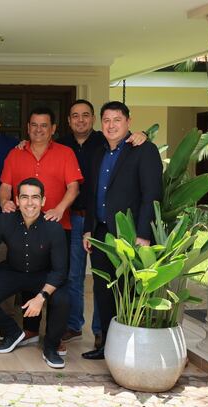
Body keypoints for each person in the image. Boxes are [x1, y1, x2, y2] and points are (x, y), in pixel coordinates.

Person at [56, 100, 146, 349]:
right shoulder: (62, 144)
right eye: (75, 116)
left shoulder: (106, 141)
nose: (80, 120)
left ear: (93, 118)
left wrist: (143, 134)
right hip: (77, 219)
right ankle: (74, 326)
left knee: (104, 279)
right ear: (69, 120)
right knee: (75, 276)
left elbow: (147, 190)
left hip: (106, 222)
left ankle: (100, 332)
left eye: (86, 115)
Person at [81, 101, 162, 360]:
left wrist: (143, 235)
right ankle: (107, 347)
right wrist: (88, 230)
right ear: (100, 123)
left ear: (128, 121)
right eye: (106, 120)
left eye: (117, 119)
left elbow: (152, 195)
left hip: (130, 235)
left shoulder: (144, 150)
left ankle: (131, 351)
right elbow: (91, 195)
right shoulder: (98, 152)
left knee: (128, 293)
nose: (111, 125)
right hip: (101, 234)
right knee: (104, 293)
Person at [0, 107, 82, 352]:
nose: (38, 129)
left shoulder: (65, 153)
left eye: (44, 125)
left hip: (57, 227)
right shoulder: (15, 154)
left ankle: (56, 335)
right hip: (23, 227)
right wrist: (5, 201)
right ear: (28, 127)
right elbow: (5, 186)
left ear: (53, 128)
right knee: (28, 276)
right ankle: (31, 329)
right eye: (34, 124)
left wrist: (59, 209)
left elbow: (73, 187)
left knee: (59, 281)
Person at [0, 178, 69, 368]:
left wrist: (41, 296)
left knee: (63, 298)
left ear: (43, 201)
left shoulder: (53, 228)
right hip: (13, 271)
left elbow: (60, 271)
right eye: (24, 197)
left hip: (42, 275)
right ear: (17, 200)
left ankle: (50, 346)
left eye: (35, 197)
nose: (30, 203)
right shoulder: (4, 220)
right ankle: (12, 332)